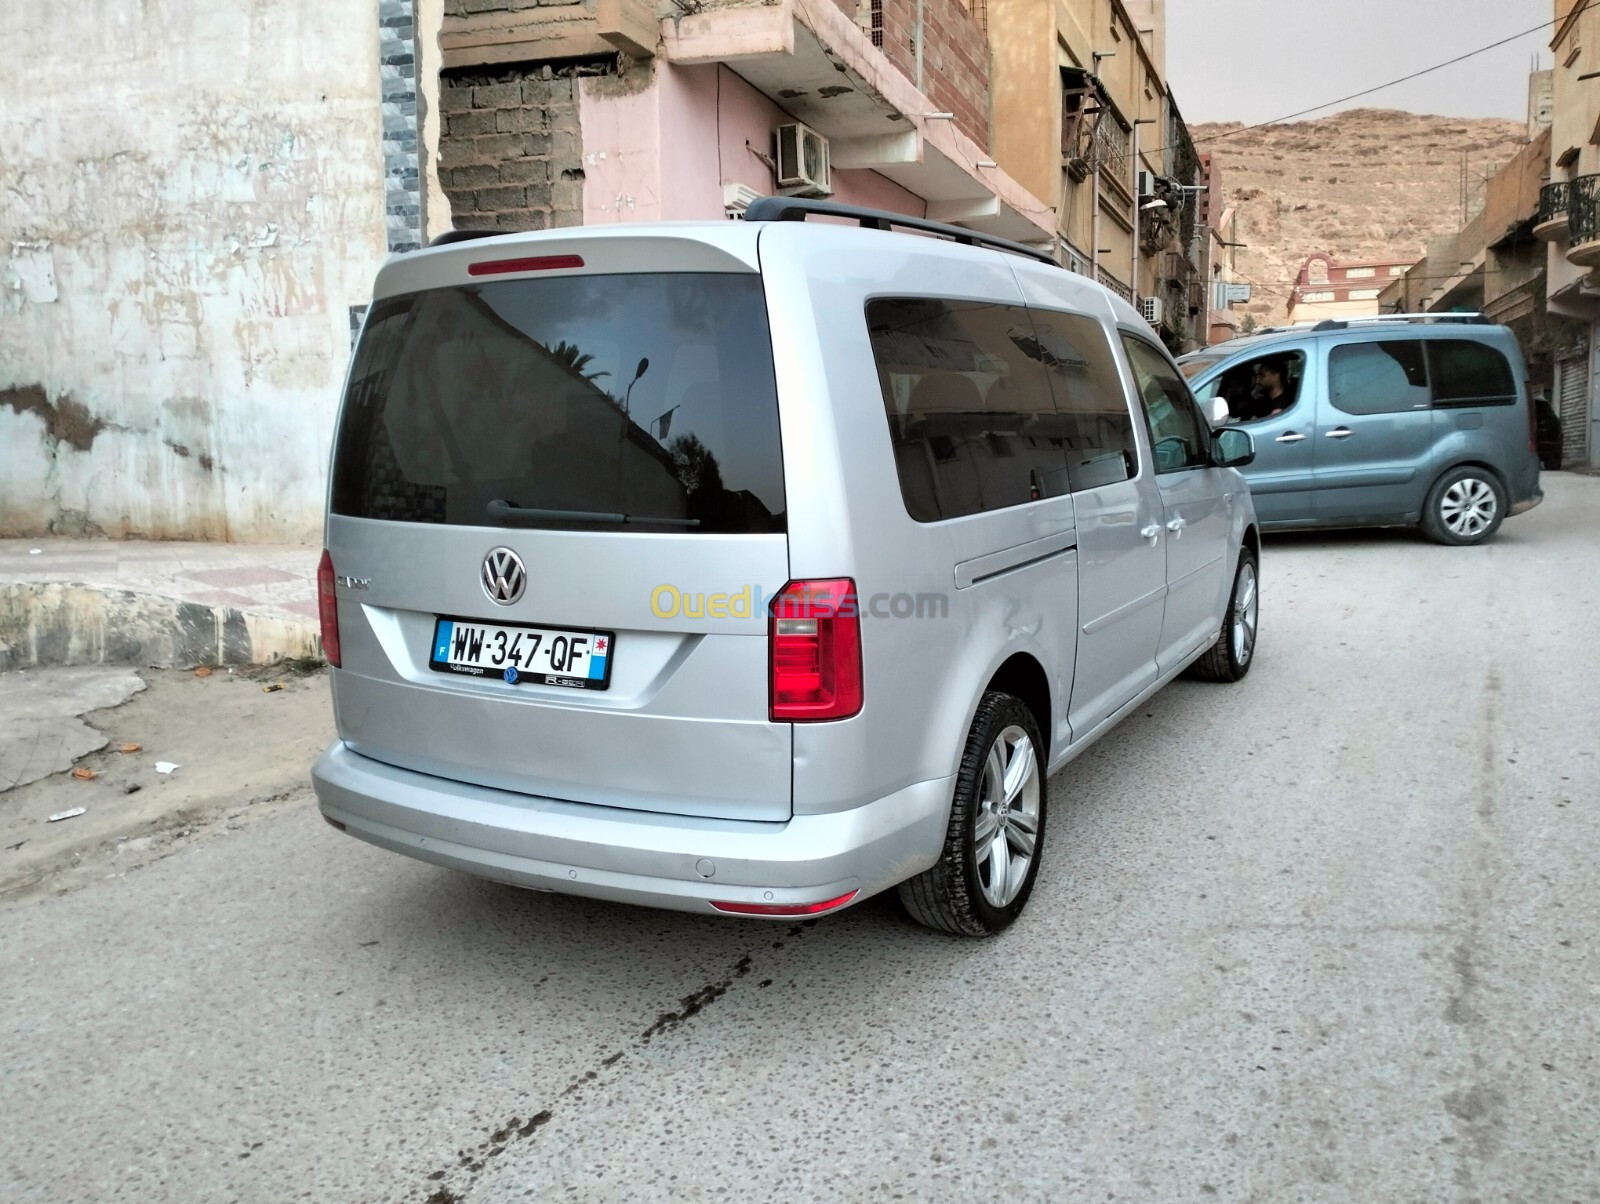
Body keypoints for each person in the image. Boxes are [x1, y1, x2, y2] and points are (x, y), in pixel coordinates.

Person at [1235, 358, 1293, 423]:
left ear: (1276, 376)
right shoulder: (1261, 403)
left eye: (1262, 376)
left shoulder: (1289, 406)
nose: (1257, 381)